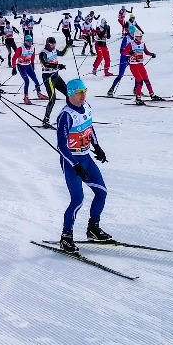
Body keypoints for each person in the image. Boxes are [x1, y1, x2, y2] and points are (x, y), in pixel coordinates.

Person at [53, 78, 110, 253]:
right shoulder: (66, 116)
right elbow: (62, 146)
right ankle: (66, 237)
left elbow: (89, 128)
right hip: (72, 161)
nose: (83, 95)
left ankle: (93, 228)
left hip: (86, 157)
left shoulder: (87, 108)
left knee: (101, 192)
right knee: (77, 200)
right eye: (79, 92)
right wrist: (75, 165)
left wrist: (97, 146)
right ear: (70, 94)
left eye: (84, 91)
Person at [38, 37, 69, 128]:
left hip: (56, 76)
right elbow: (45, 64)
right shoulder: (43, 53)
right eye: (52, 44)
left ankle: (71, 114)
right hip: (48, 77)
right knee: (52, 98)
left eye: (54, 44)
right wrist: (57, 65)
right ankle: (46, 119)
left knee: (68, 93)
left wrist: (68, 45)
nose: (53, 46)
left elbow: (62, 53)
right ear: (48, 44)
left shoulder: (54, 50)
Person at [124, 31, 161, 103]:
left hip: (140, 64)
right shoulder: (131, 44)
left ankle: (152, 95)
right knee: (140, 81)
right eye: (139, 37)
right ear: (135, 37)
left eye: (141, 37)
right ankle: (138, 98)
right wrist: (130, 53)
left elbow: (146, 52)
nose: (140, 38)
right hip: (133, 65)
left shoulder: (142, 44)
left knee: (146, 79)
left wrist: (151, 54)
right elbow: (124, 52)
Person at [12, 34, 43, 104]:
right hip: (21, 66)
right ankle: (26, 96)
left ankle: (39, 93)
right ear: (25, 41)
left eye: (31, 41)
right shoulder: (20, 49)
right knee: (27, 81)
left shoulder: (32, 48)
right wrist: (14, 68)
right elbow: (14, 58)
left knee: (35, 79)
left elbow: (32, 56)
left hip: (28, 66)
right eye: (28, 41)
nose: (30, 42)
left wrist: (32, 64)